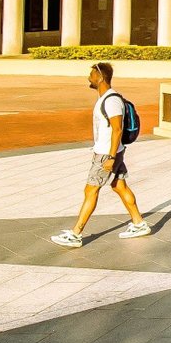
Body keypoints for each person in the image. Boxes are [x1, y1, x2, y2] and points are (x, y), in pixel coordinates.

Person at [51, 63, 150, 247]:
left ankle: (76, 234)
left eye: (91, 74)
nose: (89, 77)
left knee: (91, 190)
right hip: (113, 152)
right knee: (119, 186)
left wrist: (111, 157)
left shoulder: (111, 101)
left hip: (107, 154)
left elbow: (117, 129)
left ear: (100, 77)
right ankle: (139, 223)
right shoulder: (107, 98)